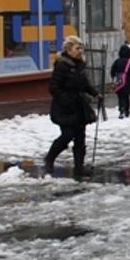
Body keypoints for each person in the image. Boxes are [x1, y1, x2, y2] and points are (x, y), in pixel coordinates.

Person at [43, 36, 103, 177]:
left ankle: (79, 168)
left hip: (79, 106)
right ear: (69, 50)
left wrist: (95, 93)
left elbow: (84, 84)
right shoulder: (62, 65)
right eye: (77, 48)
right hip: (64, 108)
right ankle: (50, 158)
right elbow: (54, 87)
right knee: (67, 135)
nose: (80, 51)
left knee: (80, 138)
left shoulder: (79, 65)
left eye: (81, 48)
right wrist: (67, 101)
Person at [111, 44, 130, 119]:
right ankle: (127, 110)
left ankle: (121, 110)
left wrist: (115, 79)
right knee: (126, 97)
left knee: (120, 97)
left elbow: (112, 71)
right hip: (127, 83)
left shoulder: (117, 61)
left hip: (119, 82)